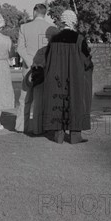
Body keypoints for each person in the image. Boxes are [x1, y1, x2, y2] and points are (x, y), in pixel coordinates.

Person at [42, 10, 93, 144]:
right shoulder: (79, 39)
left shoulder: (53, 39)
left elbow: (47, 59)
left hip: (57, 77)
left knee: (58, 102)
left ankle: (58, 135)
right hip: (75, 77)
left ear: (62, 21)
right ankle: (75, 136)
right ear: (73, 21)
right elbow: (86, 60)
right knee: (75, 102)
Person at [15, 3, 58, 135]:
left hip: (28, 68)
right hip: (44, 68)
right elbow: (53, 50)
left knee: (25, 99)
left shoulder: (24, 27)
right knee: (40, 99)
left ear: (34, 12)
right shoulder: (52, 28)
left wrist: (30, 62)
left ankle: (21, 126)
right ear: (45, 13)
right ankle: (38, 128)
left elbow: (20, 48)